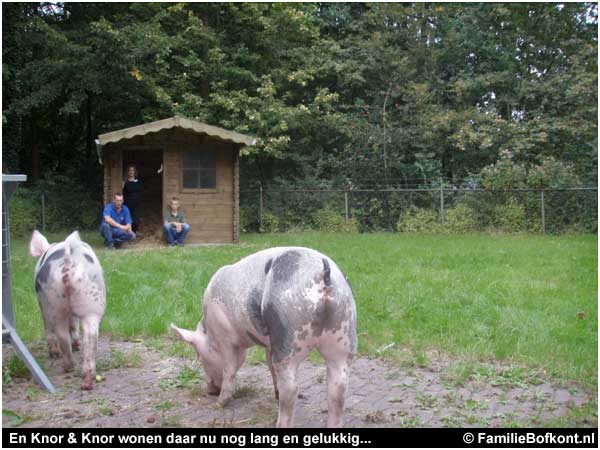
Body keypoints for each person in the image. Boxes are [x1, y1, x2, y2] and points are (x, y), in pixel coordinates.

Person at [123, 165, 142, 233]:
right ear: (127, 172)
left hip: (136, 204)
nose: (131, 172)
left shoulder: (138, 181)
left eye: (132, 170)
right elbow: (123, 193)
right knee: (128, 220)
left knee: (136, 221)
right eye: (129, 170)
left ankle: (134, 234)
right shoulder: (125, 182)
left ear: (135, 172)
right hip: (127, 204)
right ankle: (129, 234)